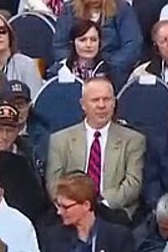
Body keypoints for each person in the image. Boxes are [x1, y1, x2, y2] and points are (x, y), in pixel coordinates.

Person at [44, 76, 146, 219]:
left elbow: (133, 185)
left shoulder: (134, 140)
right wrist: (78, 207)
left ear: (114, 103)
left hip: (114, 213)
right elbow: (54, 184)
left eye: (107, 99)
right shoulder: (60, 140)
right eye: (95, 100)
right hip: (71, 212)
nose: (101, 105)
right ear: (83, 104)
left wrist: (99, 205)